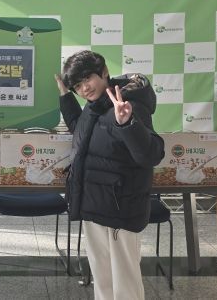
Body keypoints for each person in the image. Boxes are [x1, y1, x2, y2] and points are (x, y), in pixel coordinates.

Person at [55, 50, 165, 300]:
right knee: (103, 278)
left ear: (104, 72)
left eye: (87, 79)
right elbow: (80, 129)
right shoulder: (94, 107)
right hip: (94, 205)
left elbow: (151, 155)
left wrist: (127, 124)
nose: (84, 88)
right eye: (77, 86)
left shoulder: (128, 104)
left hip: (120, 209)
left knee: (125, 282)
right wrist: (65, 95)